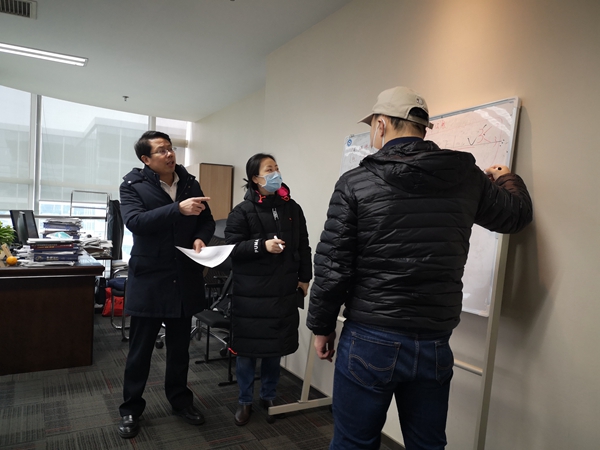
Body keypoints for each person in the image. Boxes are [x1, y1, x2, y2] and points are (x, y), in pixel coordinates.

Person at [307, 86, 533, 450]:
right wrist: (506, 177)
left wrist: (321, 327)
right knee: (428, 445)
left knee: (353, 444)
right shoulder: (467, 177)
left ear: (382, 125)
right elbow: (516, 216)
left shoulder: (356, 182)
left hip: (370, 337)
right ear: (423, 128)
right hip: (434, 341)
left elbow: (334, 265)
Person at [117, 131, 215, 439]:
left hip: (183, 277)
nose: (170, 154)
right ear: (146, 159)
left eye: (171, 148)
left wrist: (201, 237)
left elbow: (207, 220)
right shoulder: (132, 185)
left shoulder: (189, 183)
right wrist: (177, 209)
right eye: (161, 150)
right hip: (150, 278)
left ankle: (180, 401)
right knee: (140, 351)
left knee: (179, 349)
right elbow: (135, 222)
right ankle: (131, 409)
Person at [224, 153, 312, 426]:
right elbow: (231, 250)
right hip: (251, 293)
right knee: (248, 350)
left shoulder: (292, 208)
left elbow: (303, 244)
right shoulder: (241, 211)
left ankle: (269, 395)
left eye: (277, 168)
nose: (276, 174)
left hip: (283, 290)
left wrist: (305, 277)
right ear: (255, 178)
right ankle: (245, 401)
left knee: (276, 347)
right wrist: (261, 245)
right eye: (269, 169)